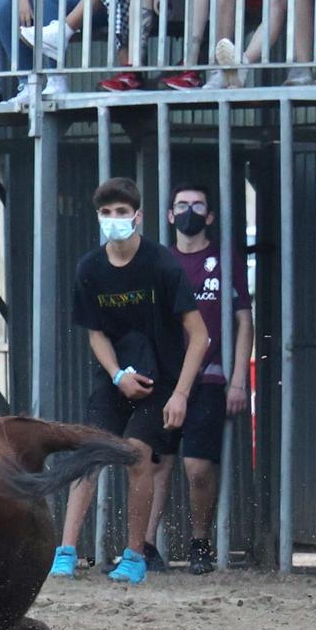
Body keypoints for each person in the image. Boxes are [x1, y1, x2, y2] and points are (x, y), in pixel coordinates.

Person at [50, 178, 208, 586]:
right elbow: (95, 331)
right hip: (114, 377)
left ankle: (134, 556)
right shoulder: (90, 268)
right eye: (107, 213)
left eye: (122, 213)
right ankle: (64, 553)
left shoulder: (162, 265)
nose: (114, 220)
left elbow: (200, 335)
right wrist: (118, 375)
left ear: (138, 217)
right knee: (91, 454)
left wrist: (181, 395)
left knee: (138, 456)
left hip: (160, 381)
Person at [136, 183, 253, 577]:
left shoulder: (225, 260)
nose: (189, 211)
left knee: (198, 468)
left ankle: (200, 542)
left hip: (210, 379)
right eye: (181, 205)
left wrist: (239, 379)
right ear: (169, 215)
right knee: (156, 464)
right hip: (163, 380)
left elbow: (243, 320)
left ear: (210, 216)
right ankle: (145, 546)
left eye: (197, 205)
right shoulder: (157, 262)